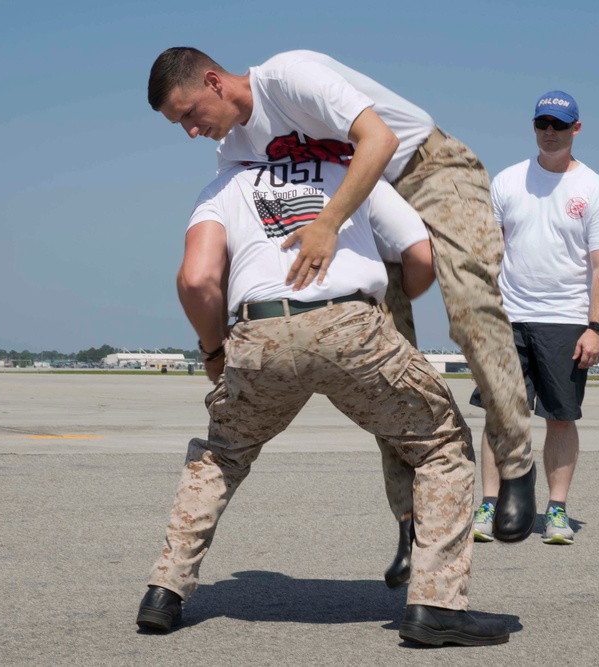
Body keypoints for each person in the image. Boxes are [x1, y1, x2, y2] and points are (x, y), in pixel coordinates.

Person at [146, 48, 538, 567]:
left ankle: (515, 462)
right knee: (389, 365)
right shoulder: (234, 149)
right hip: (363, 203)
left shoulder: (288, 77)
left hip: (424, 169)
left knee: (469, 304)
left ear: (215, 82)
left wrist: (328, 225)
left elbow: (380, 139)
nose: (191, 132)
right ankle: (410, 521)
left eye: (189, 114)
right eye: (180, 125)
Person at [136, 158, 509, 646]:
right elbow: (420, 255)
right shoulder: (351, 173)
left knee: (222, 456)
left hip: (260, 330)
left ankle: (165, 591)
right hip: (348, 327)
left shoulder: (225, 186)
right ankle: (436, 605)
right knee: (441, 445)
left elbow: (196, 279)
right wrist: (389, 314)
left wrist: (213, 351)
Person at [470, 91, 599, 545]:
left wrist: (595, 328)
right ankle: (489, 504)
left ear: (576, 128)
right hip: (508, 318)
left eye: (559, 124)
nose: (549, 131)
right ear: (533, 126)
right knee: (500, 416)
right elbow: (486, 252)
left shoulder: (593, 188)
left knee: (560, 417)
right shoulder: (508, 181)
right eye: (542, 123)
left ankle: (556, 511)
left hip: (566, 322)